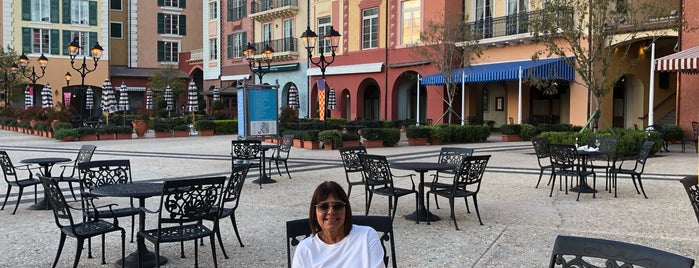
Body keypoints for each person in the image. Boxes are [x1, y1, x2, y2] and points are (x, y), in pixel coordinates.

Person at [292, 181, 384, 268]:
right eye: (323, 206)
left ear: (346, 210)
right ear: (314, 213)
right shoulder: (305, 249)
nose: (331, 212)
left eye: (338, 206)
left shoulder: (367, 236)